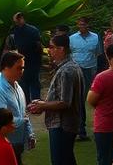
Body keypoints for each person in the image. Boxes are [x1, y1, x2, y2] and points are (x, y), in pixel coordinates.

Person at [28, 33, 83, 165]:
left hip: (62, 125)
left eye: (52, 47)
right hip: (65, 123)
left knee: (60, 160)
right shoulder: (70, 67)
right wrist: (43, 104)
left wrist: (42, 105)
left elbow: (65, 102)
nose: (49, 50)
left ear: (61, 49)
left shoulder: (67, 71)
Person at [0, 50, 35, 163]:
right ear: (6, 68)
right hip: (3, 145)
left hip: (14, 143)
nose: (22, 71)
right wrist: (24, 121)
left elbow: (23, 113)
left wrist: (29, 133)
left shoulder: (17, 85)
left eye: (22, 68)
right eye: (19, 68)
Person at [88, 43, 113, 165]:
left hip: (104, 125)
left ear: (108, 56)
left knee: (104, 159)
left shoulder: (102, 77)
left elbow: (91, 100)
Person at [70, 16, 102, 140]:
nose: (82, 26)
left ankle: (81, 128)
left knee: (84, 98)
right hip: (76, 70)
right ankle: (79, 129)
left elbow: (98, 53)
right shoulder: (72, 38)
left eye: (84, 24)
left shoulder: (95, 37)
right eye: (80, 24)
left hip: (90, 70)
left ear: (88, 25)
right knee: (78, 99)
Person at [11, 13, 43, 102]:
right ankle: (26, 102)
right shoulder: (16, 30)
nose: (17, 21)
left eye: (18, 19)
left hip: (33, 60)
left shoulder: (32, 30)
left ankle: (35, 103)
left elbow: (38, 46)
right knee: (24, 83)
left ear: (22, 18)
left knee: (33, 82)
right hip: (22, 61)